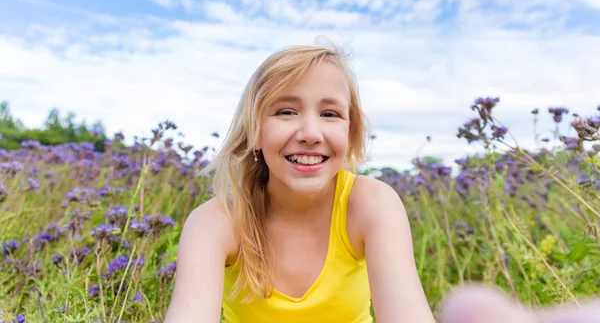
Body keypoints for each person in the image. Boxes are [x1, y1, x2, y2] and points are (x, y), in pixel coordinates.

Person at [164, 43, 600, 323]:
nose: (311, 132)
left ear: (351, 135)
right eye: (286, 111)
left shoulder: (371, 205)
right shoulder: (215, 223)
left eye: (330, 113)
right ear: (254, 133)